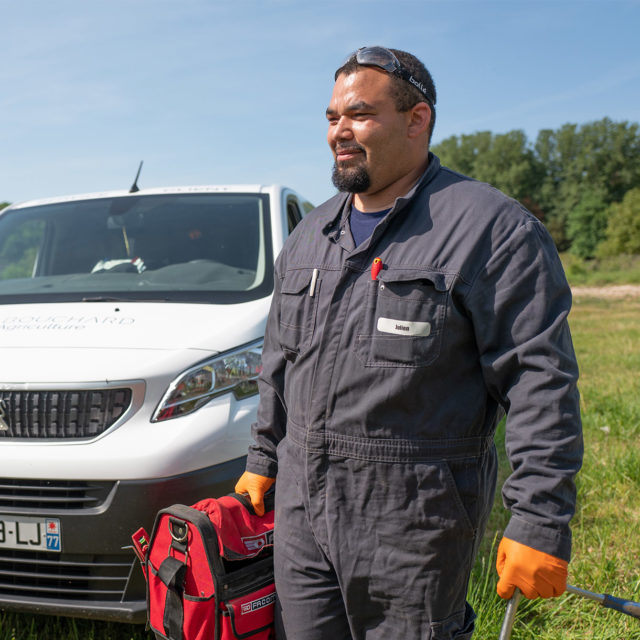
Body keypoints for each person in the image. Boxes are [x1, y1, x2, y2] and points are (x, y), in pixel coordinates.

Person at [235, 46, 583, 639]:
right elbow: (278, 363)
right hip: (299, 510)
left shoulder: (490, 230)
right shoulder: (309, 236)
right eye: (330, 118)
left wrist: (540, 519)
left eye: (360, 115)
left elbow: (538, 379)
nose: (339, 133)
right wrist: (265, 457)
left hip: (411, 522)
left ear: (417, 119)